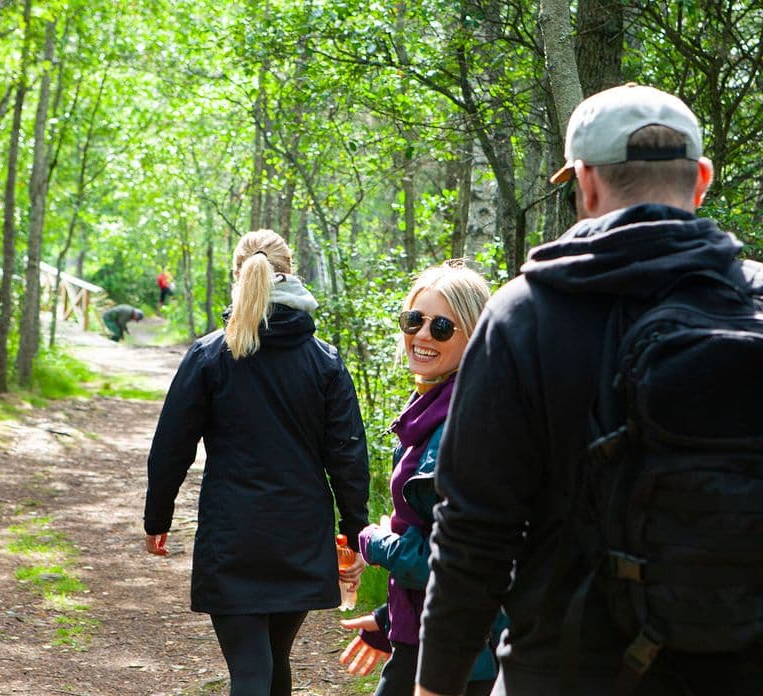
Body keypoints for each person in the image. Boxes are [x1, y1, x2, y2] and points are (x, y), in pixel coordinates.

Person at [415, 84, 763, 696]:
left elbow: (474, 530)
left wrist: (436, 683)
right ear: (701, 179)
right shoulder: (755, 301)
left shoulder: (525, 314)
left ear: (587, 183)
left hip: (567, 669)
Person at [143, 229, 370, 696]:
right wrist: (355, 529)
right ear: (292, 273)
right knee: (273, 661)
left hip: (233, 535)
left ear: (238, 276)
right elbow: (347, 454)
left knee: (250, 669)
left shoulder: (209, 355)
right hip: (301, 534)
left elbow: (172, 446)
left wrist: (157, 517)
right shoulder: (325, 361)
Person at [340, 261, 504, 696]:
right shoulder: (430, 412)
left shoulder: (461, 425)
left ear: (474, 336)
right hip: (432, 636)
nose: (423, 334)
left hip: (464, 653)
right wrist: (389, 619)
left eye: (443, 326)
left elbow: (452, 558)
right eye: (414, 319)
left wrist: (374, 541)